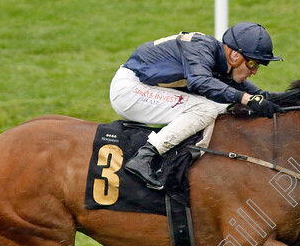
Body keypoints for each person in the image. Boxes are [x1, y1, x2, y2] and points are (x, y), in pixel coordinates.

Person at [110, 21, 285, 190]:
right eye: (252, 63)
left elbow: (259, 96)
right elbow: (200, 82)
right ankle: (144, 157)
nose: (254, 71)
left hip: (144, 87)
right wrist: (246, 99)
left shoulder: (221, 60)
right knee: (206, 109)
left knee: (223, 108)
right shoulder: (201, 48)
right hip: (129, 90)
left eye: (258, 66)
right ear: (235, 56)